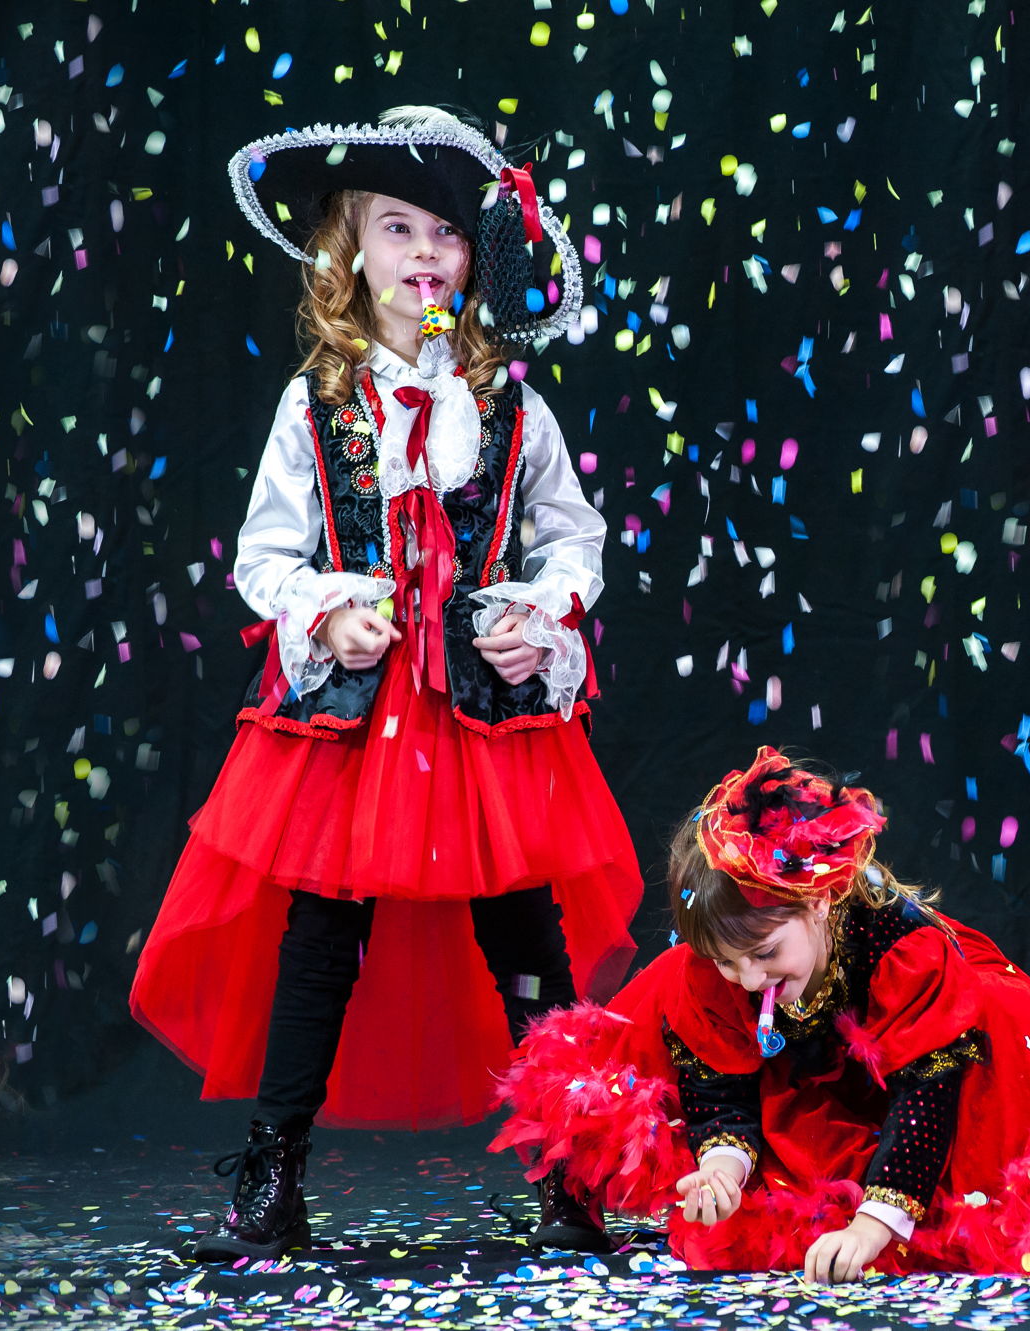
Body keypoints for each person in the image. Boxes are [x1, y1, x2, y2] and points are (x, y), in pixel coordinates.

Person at [128, 106, 642, 1260]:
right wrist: (326, 610)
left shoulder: (514, 408)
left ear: (477, 255)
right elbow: (264, 555)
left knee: (526, 933)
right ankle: (273, 1179)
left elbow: (573, 537)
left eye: (445, 233)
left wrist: (539, 616)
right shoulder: (313, 404)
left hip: (482, 713)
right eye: (396, 228)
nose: (423, 253)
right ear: (349, 251)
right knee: (321, 932)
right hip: (357, 719)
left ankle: (573, 1172)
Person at [491, 747, 1030, 1281]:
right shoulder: (725, 968)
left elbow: (924, 1091)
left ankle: (951, 1199)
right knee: (666, 986)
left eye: (764, 953)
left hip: (919, 1067)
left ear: (819, 901)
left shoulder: (904, 950)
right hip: (797, 1062)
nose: (748, 979)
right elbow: (719, 1084)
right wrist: (723, 1169)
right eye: (730, 962)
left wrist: (872, 1226)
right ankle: (568, 1183)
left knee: (1001, 1018)